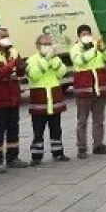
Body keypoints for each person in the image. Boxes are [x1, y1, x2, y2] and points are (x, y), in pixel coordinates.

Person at [0, 27, 27, 173]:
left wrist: (21, 67)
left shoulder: (13, 51)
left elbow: (19, 72)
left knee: (13, 129)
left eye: (7, 36)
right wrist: (10, 66)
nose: (5, 38)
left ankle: (13, 158)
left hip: (13, 97)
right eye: (2, 36)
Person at [70, 25, 106, 158]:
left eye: (88, 33)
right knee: (82, 121)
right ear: (79, 36)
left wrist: (103, 48)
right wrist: (94, 50)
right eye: (83, 34)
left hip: (99, 89)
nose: (86, 36)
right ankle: (82, 148)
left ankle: (98, 145)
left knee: (99, 119)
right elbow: (80, 60)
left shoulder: (97, 45)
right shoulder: (75, 49)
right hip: (84, 91)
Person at [26, 34, 71, 163]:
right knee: (38, 130)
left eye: (49, 44)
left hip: (54, 99)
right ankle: (36, 156)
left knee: (56, 128)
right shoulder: (31, 60)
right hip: (39, 100)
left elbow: (62, 73)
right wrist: (46, 60)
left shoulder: (55, 58)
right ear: (37, 45)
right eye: (44, 44)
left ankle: (58, 153)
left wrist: (53, 59)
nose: (47, 46)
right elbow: (34, 75)